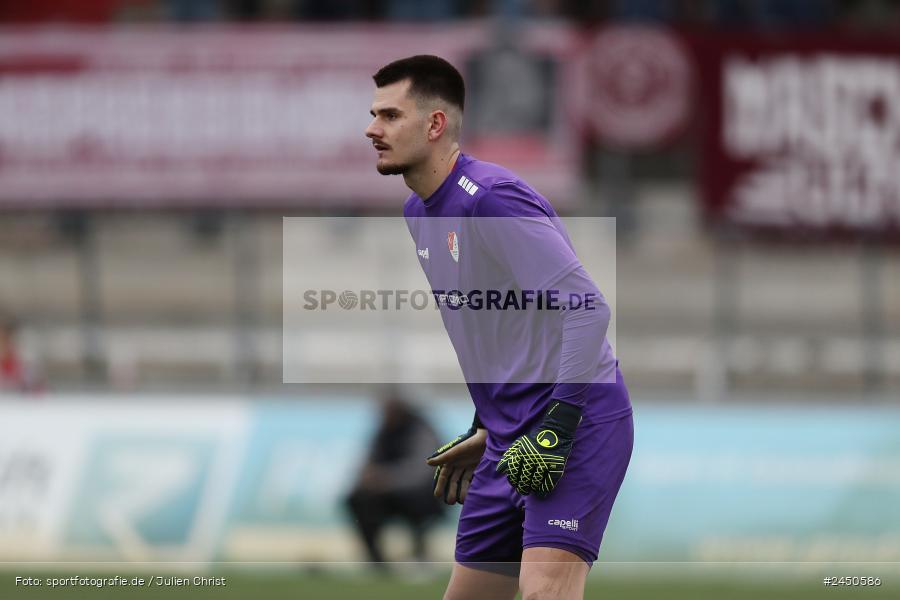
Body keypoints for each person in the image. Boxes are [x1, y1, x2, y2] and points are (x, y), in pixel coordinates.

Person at [364, 55, 634, 600]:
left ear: (435, 125)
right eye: (374, 115)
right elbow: (495, 328)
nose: (372, 129)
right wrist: (489, 421)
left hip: (574, 425)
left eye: (390, 116)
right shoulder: (419, 212)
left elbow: (587, 309)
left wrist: (557, 420)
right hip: (508, 438)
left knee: (544, 595)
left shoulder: (489, 199)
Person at [345, 389, 444, 567]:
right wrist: (368, 476)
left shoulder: (420, 429)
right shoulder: (383, 431)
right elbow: (369, 461)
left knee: (420, 498)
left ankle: (419, 554)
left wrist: (387, 479)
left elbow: (424, 469)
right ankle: (376, 560)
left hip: (425, 495)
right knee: (357, 498)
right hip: (390, 494)